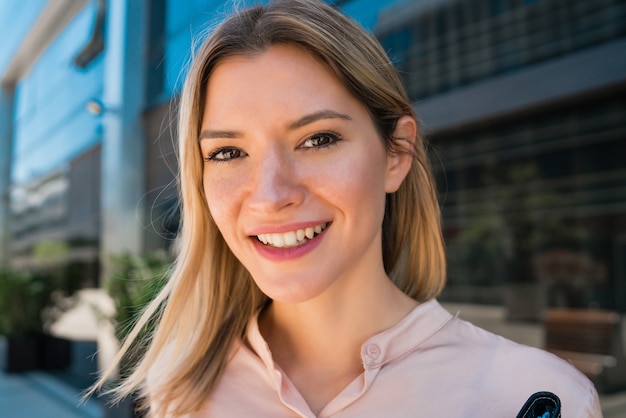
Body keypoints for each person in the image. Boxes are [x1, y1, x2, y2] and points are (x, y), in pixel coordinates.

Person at [91, 0, 602, 416]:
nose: (271, 194)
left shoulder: (534, 399)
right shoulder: (175, 398)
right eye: (228, 152)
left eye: (318, 139)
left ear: (396, 154)